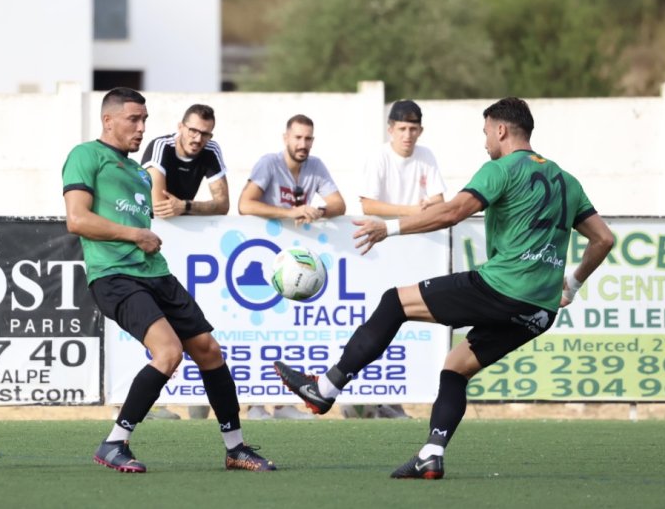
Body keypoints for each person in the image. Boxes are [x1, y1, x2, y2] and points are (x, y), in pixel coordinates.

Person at [274, 97, 614, 479]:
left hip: (501, 287)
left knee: (394, 302)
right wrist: (572, 282)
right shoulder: (567, 181)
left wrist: (390, 227)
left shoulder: (500, 168)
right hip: (540, 310)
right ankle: (431, 454)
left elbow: (453, 211)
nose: (485, 141)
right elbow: (603, 239)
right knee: (455, 368)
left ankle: (326, 388)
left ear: (501, 130)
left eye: (485, 132)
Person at [62, 87, 275, 473]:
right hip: (114, 276)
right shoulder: (85, 155)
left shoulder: (138, 173)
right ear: (108, 120)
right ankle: (114, 443)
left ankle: (235, 448)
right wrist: (135, 235)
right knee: (169, 352)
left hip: (155, 273)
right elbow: (77, 220)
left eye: (144, 119)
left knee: (209, 350)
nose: (142, 127)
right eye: (133, 119)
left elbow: (207, 204)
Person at [239, 113, 346, 419]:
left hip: (295, 263)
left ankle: (285, 404)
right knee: (257, 330)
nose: (303, 144)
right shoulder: (268, 163)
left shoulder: (316, 165)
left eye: (308, 138)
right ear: (285, 138)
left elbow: (339, 205)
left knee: (287, 330)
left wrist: (318, 211)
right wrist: (290, 212)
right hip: (265, 254)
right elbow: (246, 204)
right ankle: (255, 403)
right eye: (297, 137)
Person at [351, 99, 448, 420]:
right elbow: (368, 205)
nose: (408, 135)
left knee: (405, 328)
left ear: (421, 130)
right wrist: (412, 212)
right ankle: (358, 397)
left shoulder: (427, 157)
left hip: (416, 255)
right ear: (390, 129)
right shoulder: (378, 157)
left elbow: (439, 202)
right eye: (402, 129)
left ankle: (392, 398)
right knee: (373, 323)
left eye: (414, 129)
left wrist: (418, 212)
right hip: (379, 254)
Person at [140, 103, 228, 421]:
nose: (198, 138)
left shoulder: (211, 150)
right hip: (146, 246)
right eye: (192, 130)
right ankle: (146, 403)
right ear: (180, 126)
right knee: (154, 324)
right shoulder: (160, 146)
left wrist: (187, 206)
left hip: (186, 248)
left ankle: (198, 403)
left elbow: (223, 204)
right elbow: (157, 203)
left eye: (204, 133)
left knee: (196, 327)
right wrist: (183, 207)